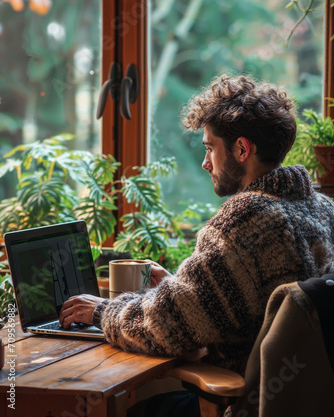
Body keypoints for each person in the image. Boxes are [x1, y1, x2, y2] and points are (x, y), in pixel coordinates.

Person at [60, 75, 334, 415]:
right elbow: (237, 296)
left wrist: (100, 311)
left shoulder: (245, 218)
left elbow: (163, 326)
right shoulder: (323, 208)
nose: (206, 163)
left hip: (243, 404)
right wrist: (180, 285)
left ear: (242, 149)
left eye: (209, 148)